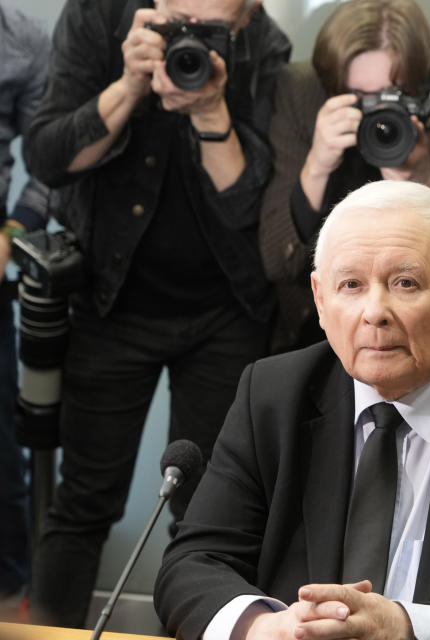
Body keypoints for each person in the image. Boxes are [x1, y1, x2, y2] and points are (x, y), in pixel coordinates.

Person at [153, 180, 430, 640]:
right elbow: (193, 564)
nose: (375, 312)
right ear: (320, 300)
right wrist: (266, 628)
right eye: (351, 285)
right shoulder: (271, 394)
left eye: (405, 283)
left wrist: (405, 628)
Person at [24, 0, 291, 627]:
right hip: (111, 301)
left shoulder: (267, 47)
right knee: (84, 498)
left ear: (248, 13)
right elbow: (47, 157)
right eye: (177, 18)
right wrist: (128, 86)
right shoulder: (98, 15)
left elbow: (250, 208)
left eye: (212, 26)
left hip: (227, 309)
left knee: (209, 515)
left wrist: (209, 110)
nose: (190, 34)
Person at [260, 0, 430, 354]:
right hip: (306, 329)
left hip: (401, 334)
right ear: (335, 84)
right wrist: (317, 164)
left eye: (392, 95)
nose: (376, 111)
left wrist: (419, 176)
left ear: (416, 90)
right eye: (359, 96)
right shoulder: (303, 94)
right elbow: (278, 262)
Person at [0, 1, 50, 621]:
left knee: (2, 457)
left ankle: (12, 602)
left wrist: (14, 229)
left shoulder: (25, 40)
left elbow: (49, 165)